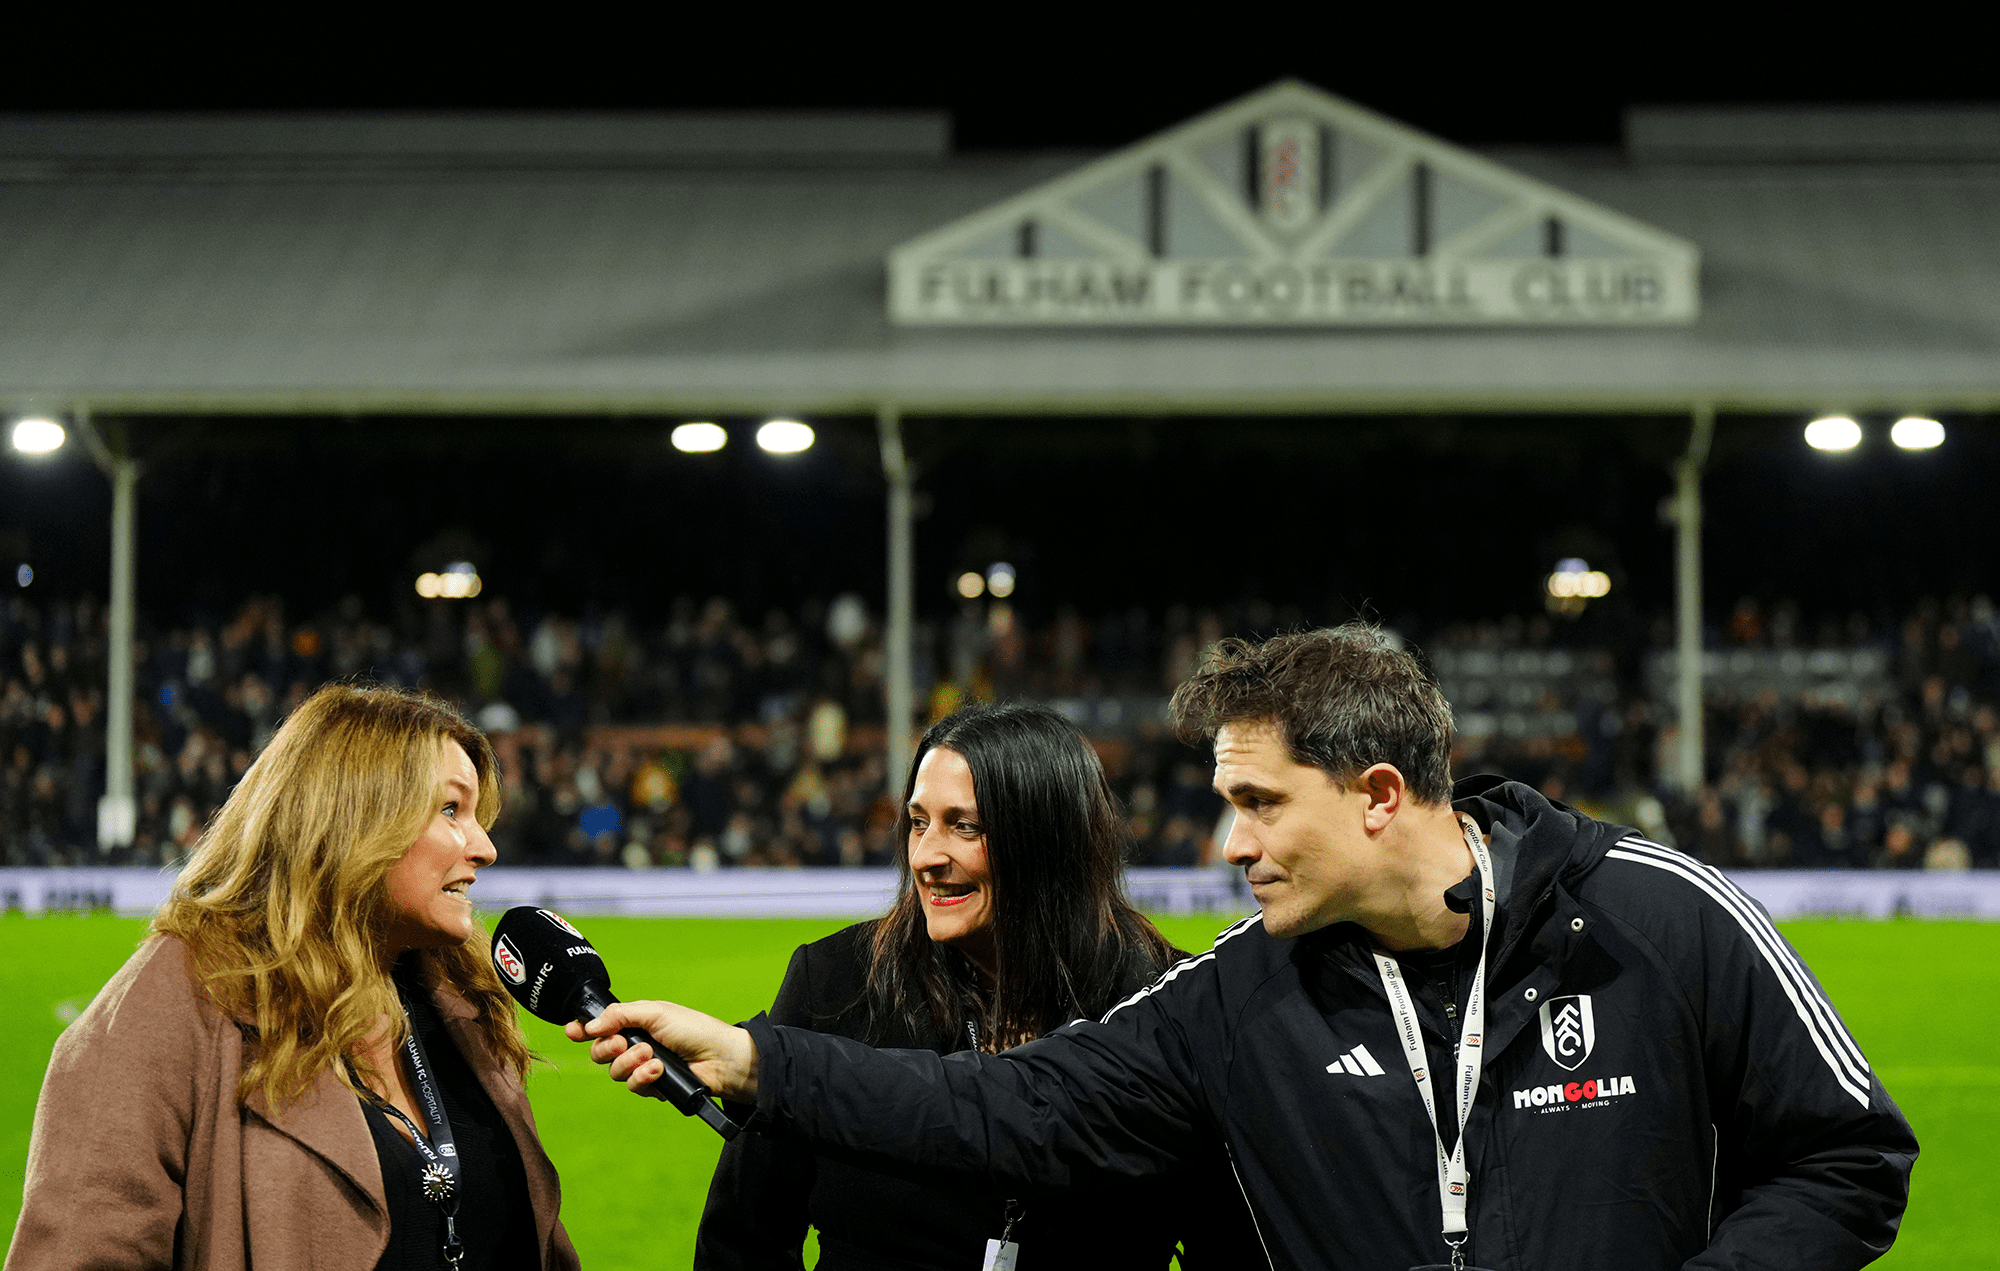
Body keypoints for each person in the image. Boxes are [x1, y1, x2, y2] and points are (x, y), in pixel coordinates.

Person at [578, 626, 1918, 1271]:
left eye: (1259, 801)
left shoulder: (1657, 911)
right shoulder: (1232, 992)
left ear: (1379, 792)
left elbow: (1849, 1153)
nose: (1231, 840)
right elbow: (1010, 1099)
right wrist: (757, 1058)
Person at [6, 685, 579, 1271]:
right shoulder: (169, 1012)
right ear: (353, 817)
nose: (484, 848)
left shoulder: (465, 1009)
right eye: (451, 810)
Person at [697, 702, 1257, 1269]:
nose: (925, 857)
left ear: (1050, 840)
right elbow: (743, 1239)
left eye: (965, 826)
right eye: (918, 822)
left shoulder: (1170, 1005)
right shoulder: (839, 981)